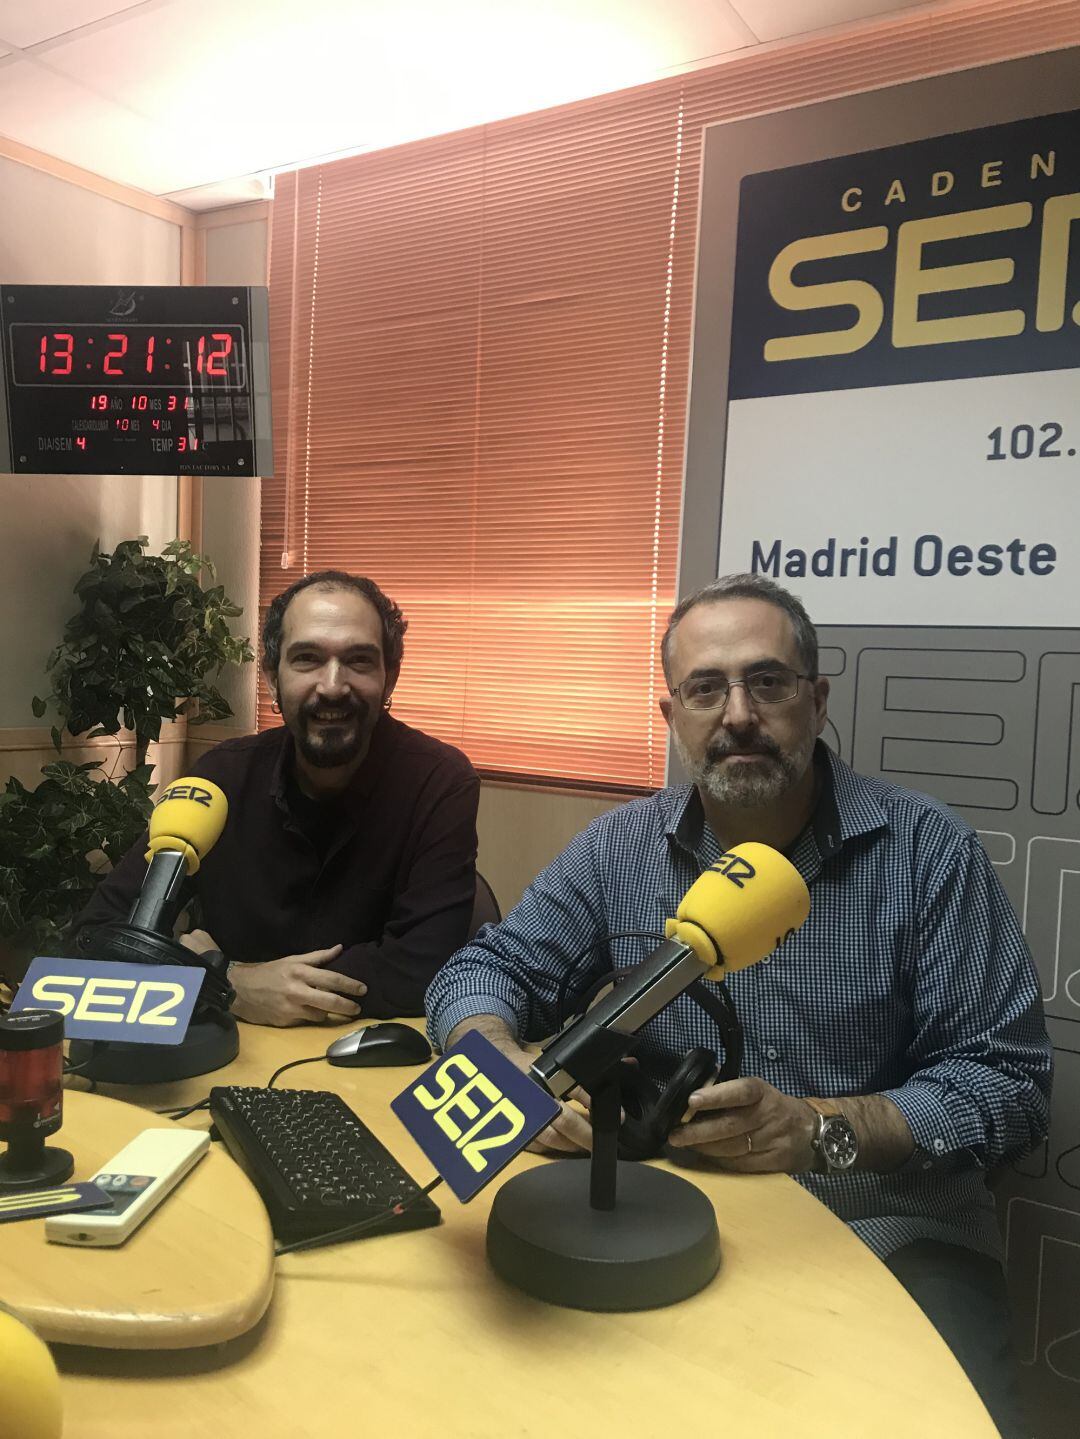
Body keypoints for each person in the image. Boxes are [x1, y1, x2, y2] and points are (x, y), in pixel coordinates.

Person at [426, 572, 1051, 1438]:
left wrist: (822, 1127)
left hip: (889, 1222)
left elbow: (1009, 1083)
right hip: (661, 1209)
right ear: (671, 715)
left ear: (817, 698)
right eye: (706, 689)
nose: (739, 715)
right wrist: (501, 1063)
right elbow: (483, 972)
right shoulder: (621, 848)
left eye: (767, 682)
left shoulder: (925, 850)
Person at [74, 571, 480, 1026]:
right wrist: (228, 984)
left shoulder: (439, 783)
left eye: (359, 661)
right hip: (231, 1055)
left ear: (390, 678)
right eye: (306, 658)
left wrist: (223, 975)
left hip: (363, 1066)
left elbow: (426, 971)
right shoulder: (220, 778)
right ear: (271, 678)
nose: (332, 685)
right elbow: (98, 936)